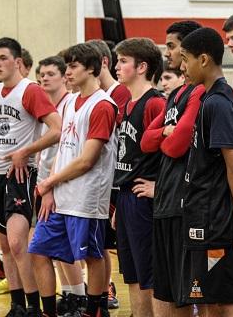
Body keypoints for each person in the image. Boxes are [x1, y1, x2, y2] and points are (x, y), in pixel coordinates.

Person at [29, 43, 118, 317]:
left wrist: (48, 182)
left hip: (86, 198)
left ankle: (94, 309)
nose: (67, 72)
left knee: (92, 256)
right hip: (61, 195)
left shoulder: (102, 105)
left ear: (92, 68)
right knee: (39, 251)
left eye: (73, 66)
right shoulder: (69, 101)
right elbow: (63, 151)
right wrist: (49, 188)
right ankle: (48, 312)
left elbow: (86, 160)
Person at [179, 27, 233, 317]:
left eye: (185, 59)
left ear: (203, 60)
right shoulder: (209, 98)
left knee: (222, 297)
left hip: (212, 217)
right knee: (213, 296)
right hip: (204, 211)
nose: (181, 67)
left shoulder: (219, 103)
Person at [0, 37, 62, 316]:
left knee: (17, 242)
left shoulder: (31, 91)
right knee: (4, 244)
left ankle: (33, 306)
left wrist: (25, 152)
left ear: (17, 62)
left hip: (20, 174)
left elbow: (56, 129)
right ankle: (16, 305)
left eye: (2, 58)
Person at [141, 20, 204, 316]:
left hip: (186, 204)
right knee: (165, 289)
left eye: (171, 46)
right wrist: (166, 132)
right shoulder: (177, 94)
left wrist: (167, 134)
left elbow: (178, 144)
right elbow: (145, 141)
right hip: (165, 203)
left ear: (189, 48)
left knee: (191, 292)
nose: (166, 53)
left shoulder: (200, 92)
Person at [113, 38, 166, 317]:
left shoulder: (155, 103)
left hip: (145, 200)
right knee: (131, 275)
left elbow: (175, 153)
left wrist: (162, 187)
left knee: (149, 275)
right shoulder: (127, 104)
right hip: (126, 196)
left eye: (123, 61)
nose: (116, 66)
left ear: (142, 66)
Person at [86, 39, 131, 313]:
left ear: (102, 63)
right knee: (98, 243)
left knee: (109, 244)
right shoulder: (90, 97)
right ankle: (102, 290)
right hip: (99, 179)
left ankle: (106, 290)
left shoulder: (120, 93)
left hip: (117, 179)